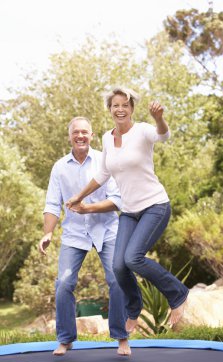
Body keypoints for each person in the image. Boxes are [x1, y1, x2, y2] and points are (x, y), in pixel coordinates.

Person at [66, 87, 189, 334]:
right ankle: (134, 308)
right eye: (115, 105)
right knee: (119, 265)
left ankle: (178, 294)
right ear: (110, 109)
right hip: (130, 212)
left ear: (132, 108)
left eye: (125, 105)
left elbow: (163, 136)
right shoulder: (106, 138)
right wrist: (79, 196)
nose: (120, 109)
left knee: (133, 258)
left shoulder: (143, 130)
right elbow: (102, 174)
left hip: (155, 206)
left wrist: (159, 119)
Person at [38, 116, 131, 356]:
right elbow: (51, 204)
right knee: (63, 284)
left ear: (91, 135)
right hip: (74, 234)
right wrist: (47, 233)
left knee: (117, 280)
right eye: (75, 132)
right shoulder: (59, 167)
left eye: (84, 132)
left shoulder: (104, 161)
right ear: (70, 136)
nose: (80, 136)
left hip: (107, 230)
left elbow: (117, 201)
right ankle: (66, 339)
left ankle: (121, 337)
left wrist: (87, 207)